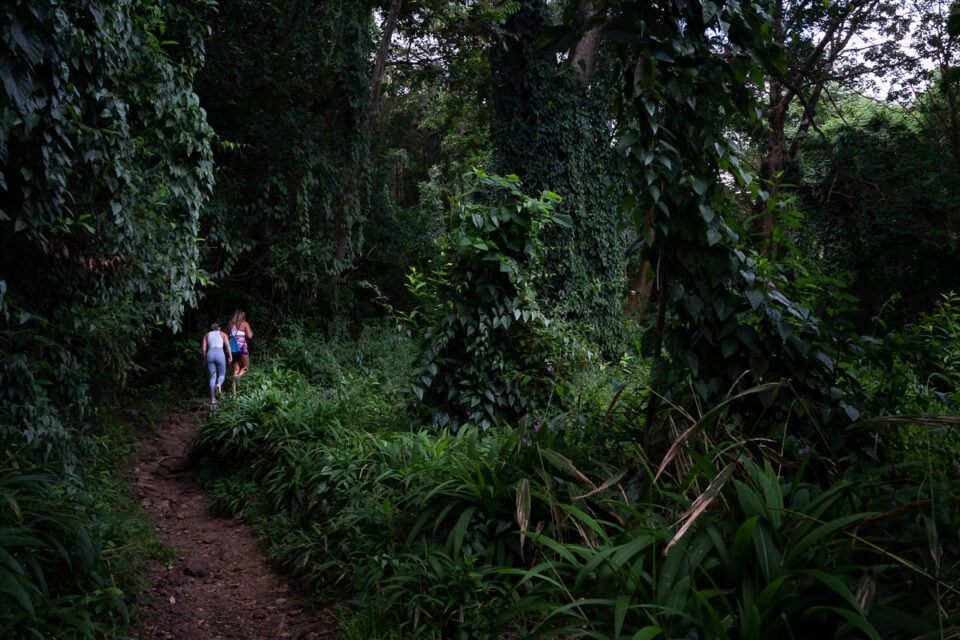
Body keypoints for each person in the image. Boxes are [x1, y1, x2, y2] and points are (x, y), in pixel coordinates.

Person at [202, 321, 232, 404]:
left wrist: (204, 359)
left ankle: (213, 399)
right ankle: (218, 385)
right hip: (219, 353)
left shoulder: (206, 335)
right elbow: (228, 346)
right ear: (219, 328)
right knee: (222, 374)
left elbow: (204, 349)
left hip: (210, 354)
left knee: (212, 377)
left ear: (212, 328)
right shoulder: (223, 334)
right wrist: (230, 356)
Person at [227, 309, 254, 377]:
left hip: (232, 347)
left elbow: (227, 337)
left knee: (236, 369)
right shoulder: (244, 323)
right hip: (241, 346)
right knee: (246, 366)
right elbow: (250, 336)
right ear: (242, 316)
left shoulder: (230, 325)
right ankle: (239, 376)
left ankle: (234, 384)